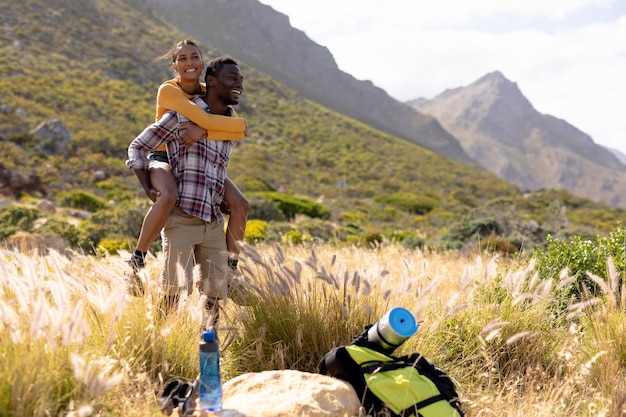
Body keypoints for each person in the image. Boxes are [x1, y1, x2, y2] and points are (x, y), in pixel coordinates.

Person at [126, 56, 245, 326]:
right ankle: (159, 349)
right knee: (172, 296)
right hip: (181, 218)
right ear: (211, 82)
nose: (239, 84)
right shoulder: (180, 114)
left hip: (213, 221)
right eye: (232, 78)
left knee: (214, 300)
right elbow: (139, 145)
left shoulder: (230, 124)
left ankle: (209, 358)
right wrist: (148, 186)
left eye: (241, 79)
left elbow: (217, 167)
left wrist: (221, 195)